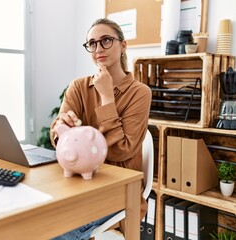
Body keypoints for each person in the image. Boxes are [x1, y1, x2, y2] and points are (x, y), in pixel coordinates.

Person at [50, 18, 151, 240]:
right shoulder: (78, 87)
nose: (98, 49)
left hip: (118, 191)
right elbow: (57, 135)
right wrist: (61, 126)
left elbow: (122, 150)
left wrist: (106, 96)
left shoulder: (140, 92)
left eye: (106, 40)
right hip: (78, 183)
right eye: (92, 43)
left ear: (123, 45)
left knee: (58, 232)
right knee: (39, 218)